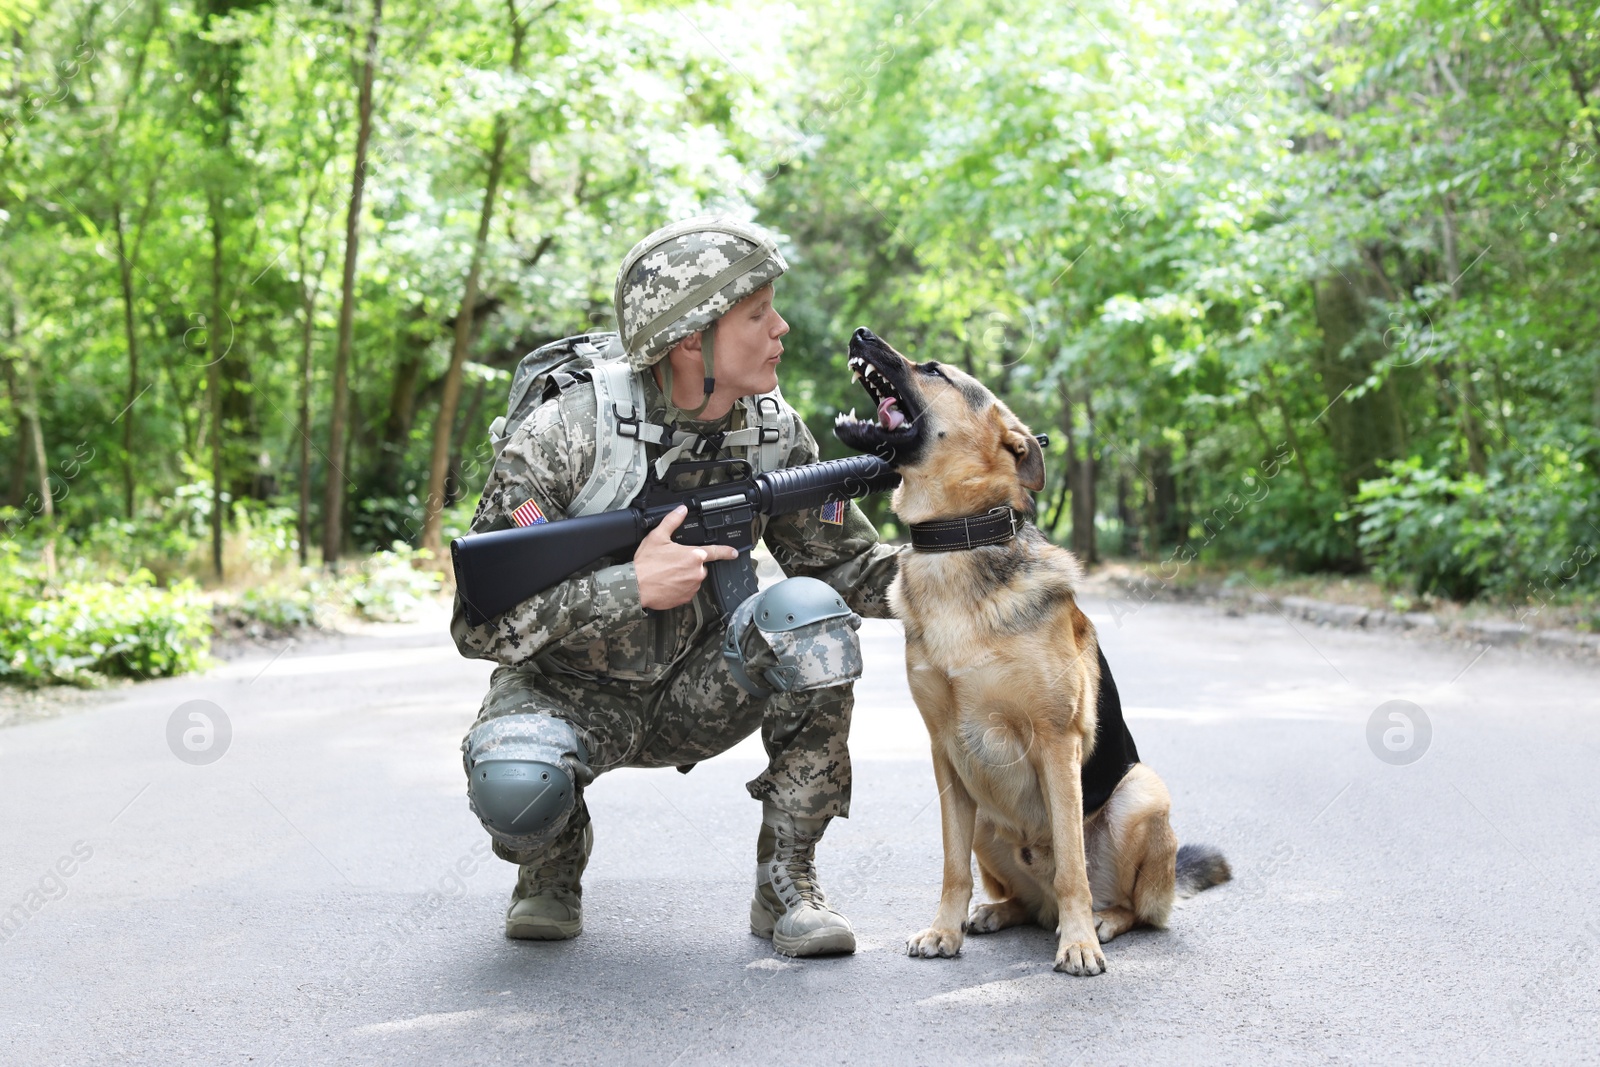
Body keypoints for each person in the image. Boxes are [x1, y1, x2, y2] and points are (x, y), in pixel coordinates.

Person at [450, 216, 899, 957]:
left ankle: (786, 878)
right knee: (513, 782)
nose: (780, 327)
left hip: (703, 689)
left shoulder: (774, 432)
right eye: (758, 313)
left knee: (812, 617)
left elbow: (847, 568)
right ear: (693, 339)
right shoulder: (568, 434)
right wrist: (628, 584)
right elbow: (479, 624)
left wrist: (967, 550)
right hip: (570, 696)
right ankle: (549, 861)